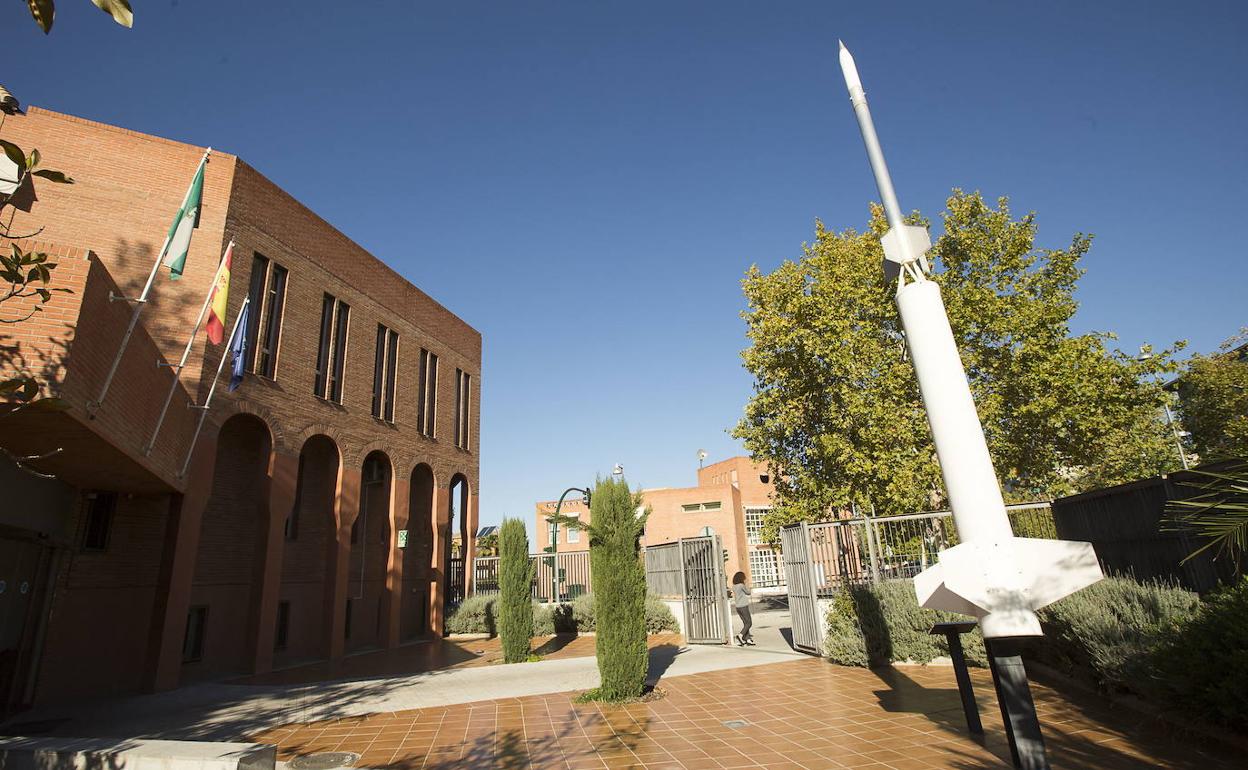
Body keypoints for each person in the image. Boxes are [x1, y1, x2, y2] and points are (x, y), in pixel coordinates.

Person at [731, 571, 754, 646]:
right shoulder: (741, 585)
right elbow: (748, 592)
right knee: (749, 623)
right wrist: (746, 584)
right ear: (741, 578)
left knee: (745, 623)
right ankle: (740, 635)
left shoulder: (734, 586)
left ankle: (747, 639)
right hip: (743, 606)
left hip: (738, 607)